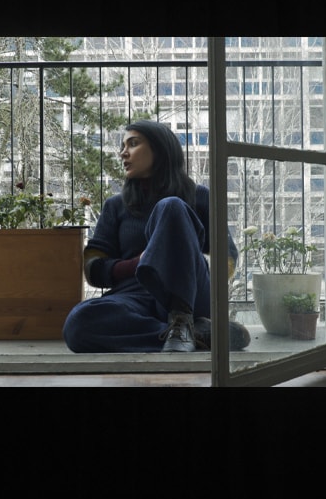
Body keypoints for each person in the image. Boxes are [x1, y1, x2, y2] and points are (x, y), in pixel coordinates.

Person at [63, 120, 246, 353]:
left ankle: (183, 319)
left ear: (160, 149)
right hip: (134, 296)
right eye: (122, 146)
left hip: (191, 296)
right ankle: (195, 335)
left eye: (133, 144)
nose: (123, 153)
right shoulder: (115, 206)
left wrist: (185, 266)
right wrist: (136, 264)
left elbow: (227, 256)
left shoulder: (198, 196)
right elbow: (93, 269)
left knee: (171, 206)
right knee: (78, 323)